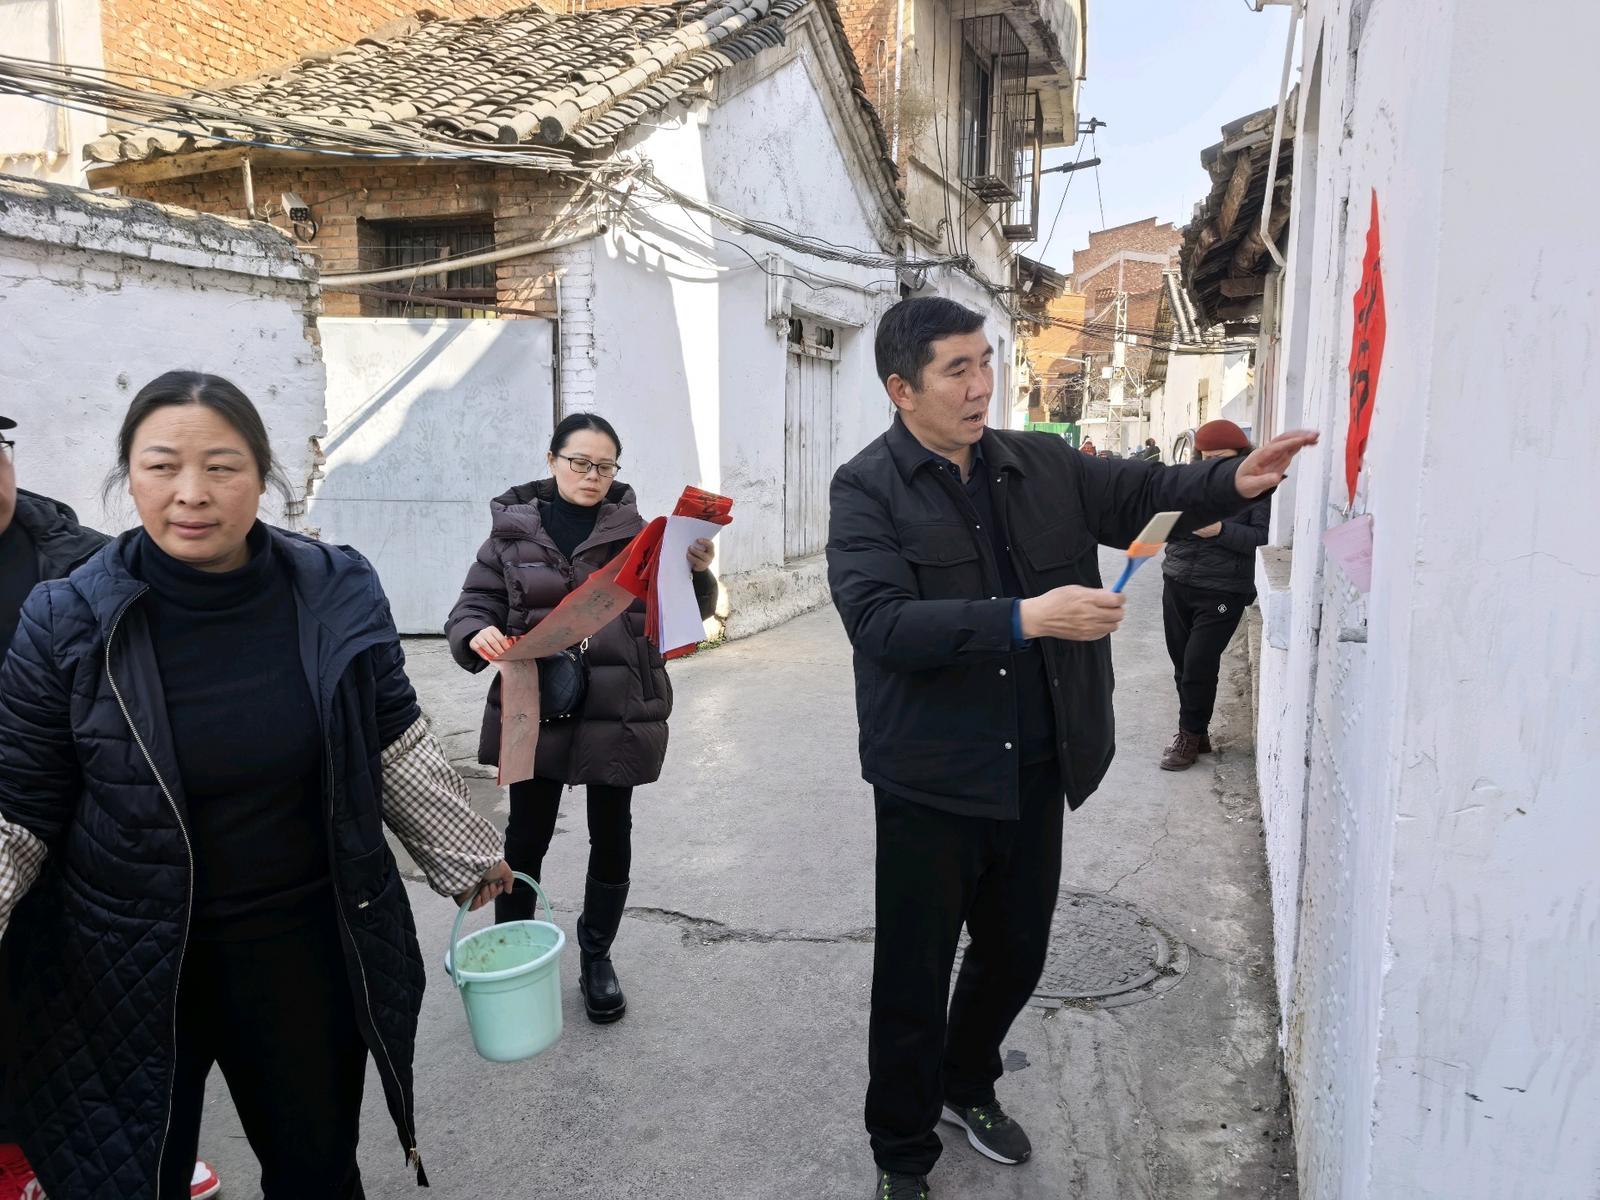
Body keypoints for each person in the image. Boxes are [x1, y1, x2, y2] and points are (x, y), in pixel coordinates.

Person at [826, 297, 1316, 1200]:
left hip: (1037, 760)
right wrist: (1025, 618)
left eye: (985, 362)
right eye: (956, 370)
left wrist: (1234, 480)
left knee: (1016, 952)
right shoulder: (866, 488)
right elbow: (879, 623)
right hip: (932, 776)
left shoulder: (1041, 462)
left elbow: (1142, 492)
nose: (981, 386)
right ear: (902, 390)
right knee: (913, 975)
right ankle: (901, 1153)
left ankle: (965, 1082)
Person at [0, 374, 514, 1200]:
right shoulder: (66, 617)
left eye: (222, 467)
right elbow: (19, 805)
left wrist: (464, 852)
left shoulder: (336, 586)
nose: (191, 494)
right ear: (129, 474)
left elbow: (389, 731)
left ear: (264, 474)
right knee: (130, 1179)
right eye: (162, 466)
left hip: (302, 953)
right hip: (123, 964)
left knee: (316, 1173)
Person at [0, 416, 223, 1200]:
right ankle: (18, 1156)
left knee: (90, 1002)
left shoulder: (81, 562)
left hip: (78, 824)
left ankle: (136, 1149)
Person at [445, 413, 718, 1024]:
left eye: (605, 466)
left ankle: (597, 957)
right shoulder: (511, 535)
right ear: (552, 460)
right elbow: (473, 604)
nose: (592, 476)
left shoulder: (642, 536)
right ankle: (517, 954)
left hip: (619, 701)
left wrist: (698, 574)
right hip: (537, 702)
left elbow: (684, 612)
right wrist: (476, 631)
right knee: (526, 836)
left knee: (612, 833)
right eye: (580, 462)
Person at [1158, 419, 1269, 771]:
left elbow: (1260, 539)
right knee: (1182, 665)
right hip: (1177, 581)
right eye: (1205, 458)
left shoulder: (1257, 487)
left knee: (1198, 665)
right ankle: (1198, 732)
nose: (1211, 465)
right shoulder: (1188, 482)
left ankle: (1187, 737)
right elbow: (1161, 526)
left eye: (1220, 457)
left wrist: (1219, 530)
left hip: (1223, 590)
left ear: (1240, 454)